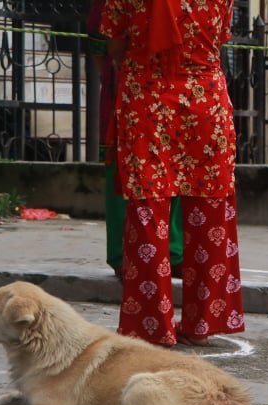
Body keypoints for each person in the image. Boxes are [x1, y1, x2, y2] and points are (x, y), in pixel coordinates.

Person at [101, 0, 244, 348]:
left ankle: (152, 326)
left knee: (148, 210)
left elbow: (115, 47)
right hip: (205, 100)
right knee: (209, 209)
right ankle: (202, 324)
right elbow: (219, 39)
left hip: (146, 98)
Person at [87, 0, 182, 279]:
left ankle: (154, 253)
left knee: (157, 172)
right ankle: (146, 254)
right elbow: (101, 46)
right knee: (136, 173)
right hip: (145, 93)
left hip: (152, 90)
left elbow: (102, 47)